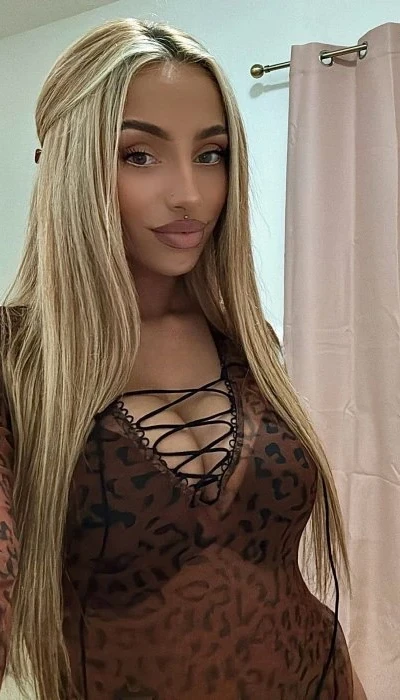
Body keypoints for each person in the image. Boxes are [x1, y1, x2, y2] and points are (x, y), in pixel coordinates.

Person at [0, 17, 367, 700]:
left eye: (211, 154)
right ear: (71, 166)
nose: (190, 194)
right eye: (139, 155)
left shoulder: (246, 340)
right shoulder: (17, 360)